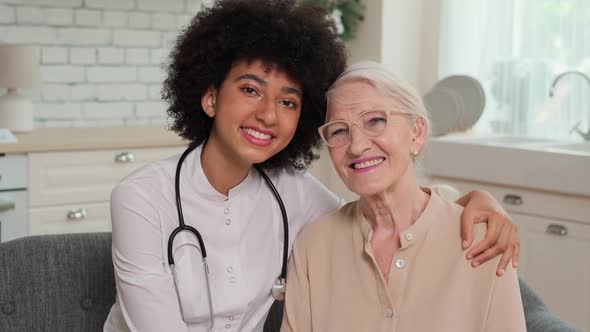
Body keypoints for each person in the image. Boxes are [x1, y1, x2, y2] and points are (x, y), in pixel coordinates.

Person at [104, 1, 519, 331]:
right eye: (250, 89)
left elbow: (382, 207)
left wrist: (473, 203)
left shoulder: (296, 197)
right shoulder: (141, 198)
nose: (268, 115)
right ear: (210, 97)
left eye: (288, 101)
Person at [281, 61, 526, 332]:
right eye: (339, 131)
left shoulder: (484, 240)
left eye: (375, 120)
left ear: (416, 133)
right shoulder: (313, 246)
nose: (357, 145)